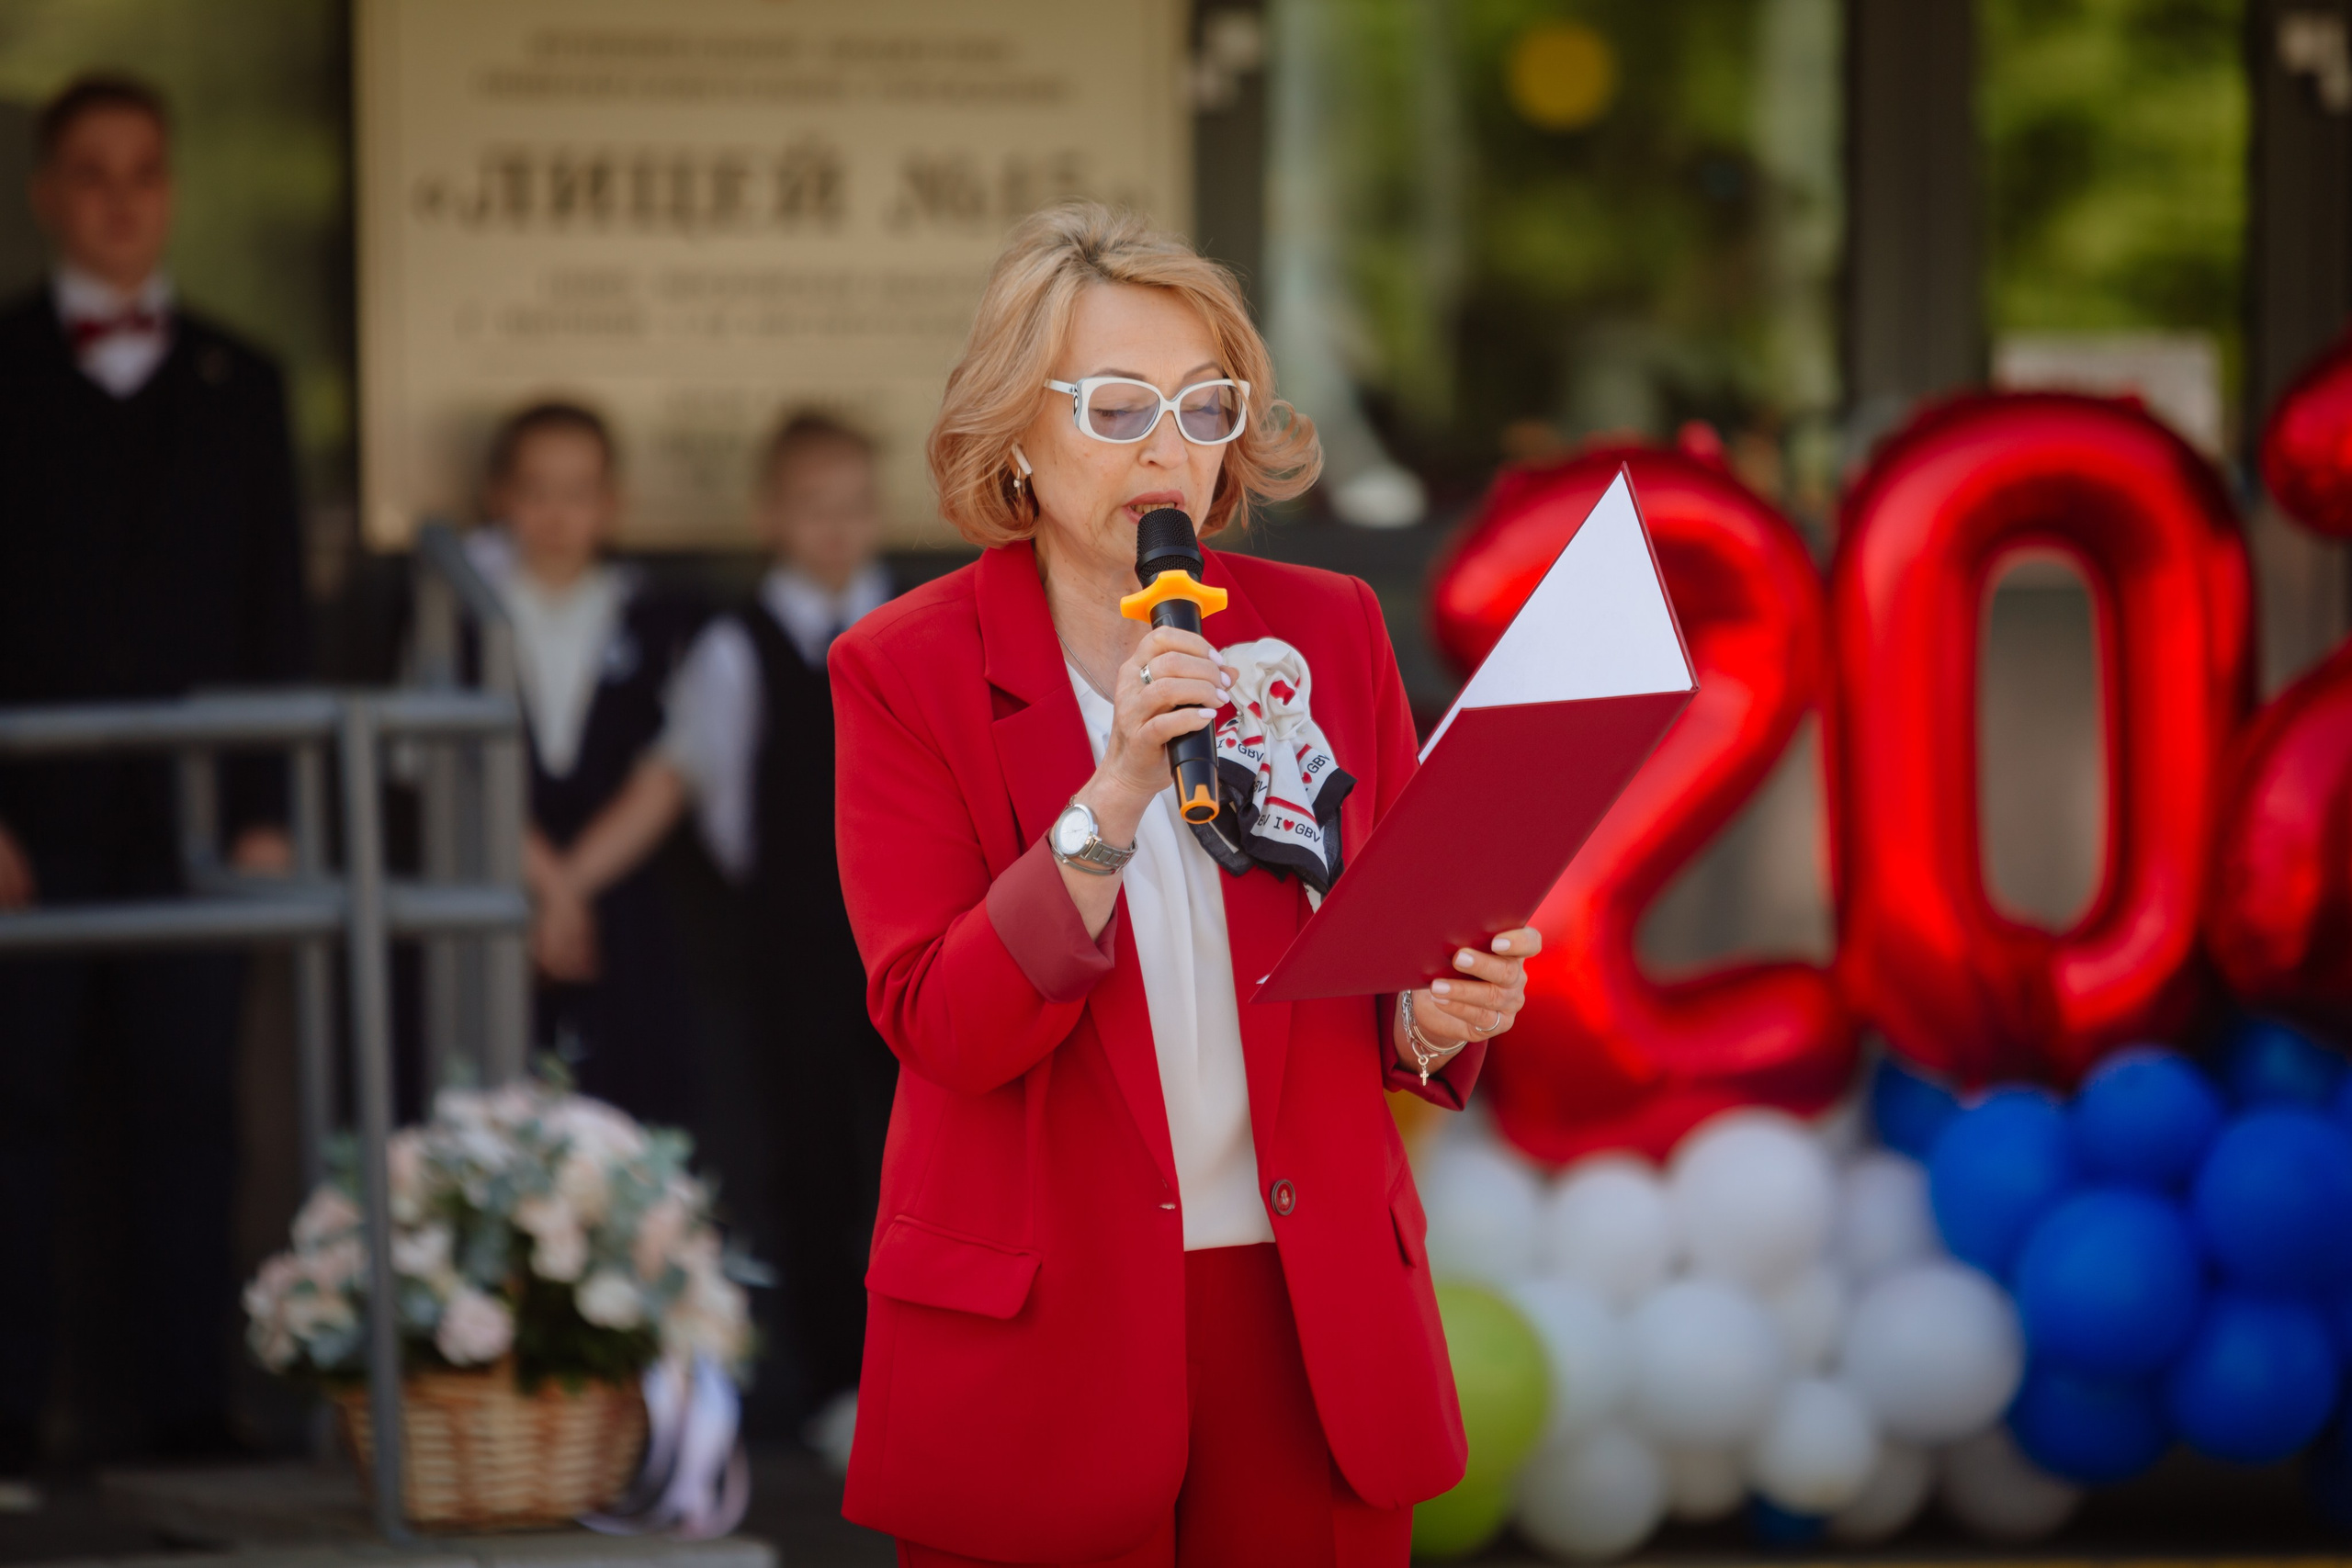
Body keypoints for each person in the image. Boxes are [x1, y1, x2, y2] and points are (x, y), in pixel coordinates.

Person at [832, 202, 1539, 1567]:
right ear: (1014, 433)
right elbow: (943, 1022)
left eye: (1206, 406)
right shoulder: (905, 670)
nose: (1169, 447)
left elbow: (1380, 973)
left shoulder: (1327, 630)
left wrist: (1441, 1015)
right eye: (1114, 405)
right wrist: (1108, 803)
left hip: (1309, 1314)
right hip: (1042, 1330)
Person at [0, 74, 309, 1487]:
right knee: (19, 1103)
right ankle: (13, 1410)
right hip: (28, 822)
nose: (118, 197)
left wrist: (263, 807)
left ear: (169, 190)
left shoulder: (245, 383)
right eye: (90, 171)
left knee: (193, 1102)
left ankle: (190, 1407)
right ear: (49, 192)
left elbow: (275, 611)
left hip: (200, 818)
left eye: (142, 171)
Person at [555, 412, 897, 1454]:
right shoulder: (731, 647)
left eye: (852, 508)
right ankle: (844, 1383)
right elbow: (700, 792)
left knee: (924, 1154)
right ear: (768, 517)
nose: (834, 529)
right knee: (811, 1162)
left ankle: (952, 1375)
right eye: (811, 508)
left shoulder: (925, 623)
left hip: (927, 938)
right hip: (796, 945)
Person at [466, 401, 704, 1125]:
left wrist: (571, 889)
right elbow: (457, 770)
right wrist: (543, 884)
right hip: (494, 898)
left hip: (621, 910)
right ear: (500, 496)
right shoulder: (461, 613)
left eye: (578, 492)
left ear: (611, 503)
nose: (556, 513)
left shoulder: (656, 620)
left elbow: (671, 771)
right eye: (536, 490)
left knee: (626, 1109)